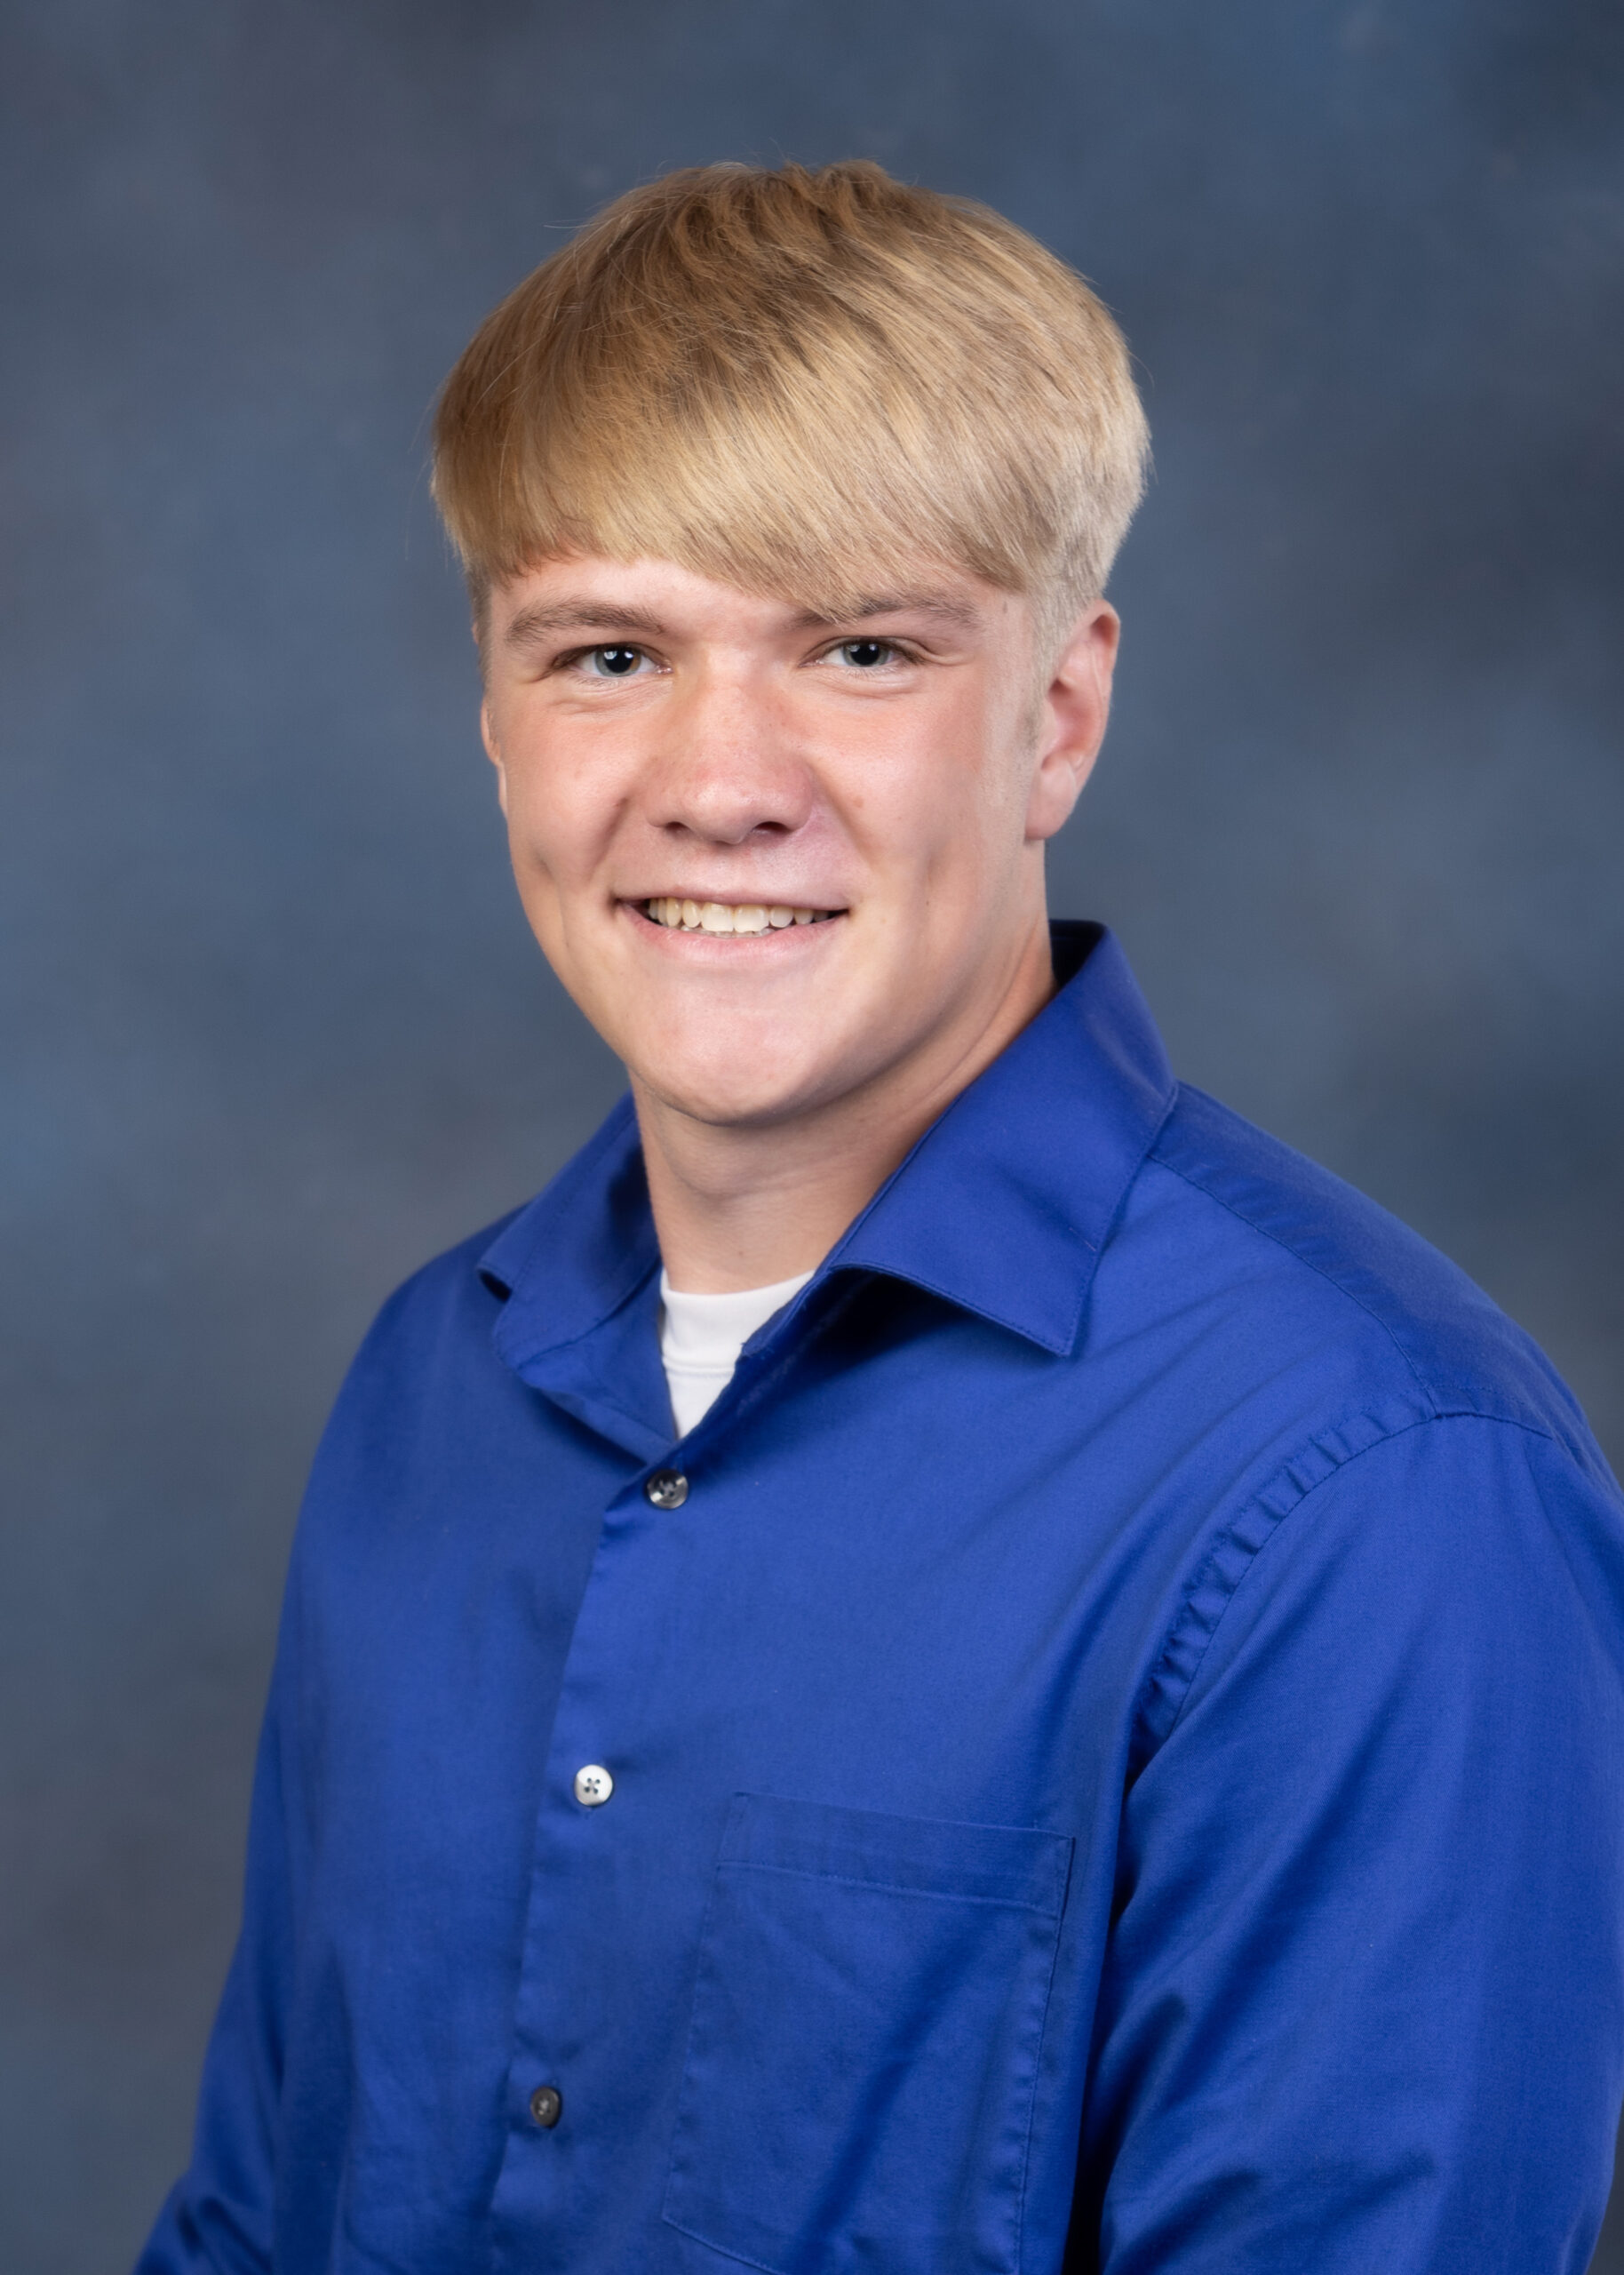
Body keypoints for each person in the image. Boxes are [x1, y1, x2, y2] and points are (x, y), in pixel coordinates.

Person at [138, 160, 1624, 2275]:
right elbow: (253, 2223)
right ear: (490, 720)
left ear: (1059, 715)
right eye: (607, 650)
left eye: (856, 645)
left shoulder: (1375, 1494)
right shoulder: (423, 1390)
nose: (718, 776)